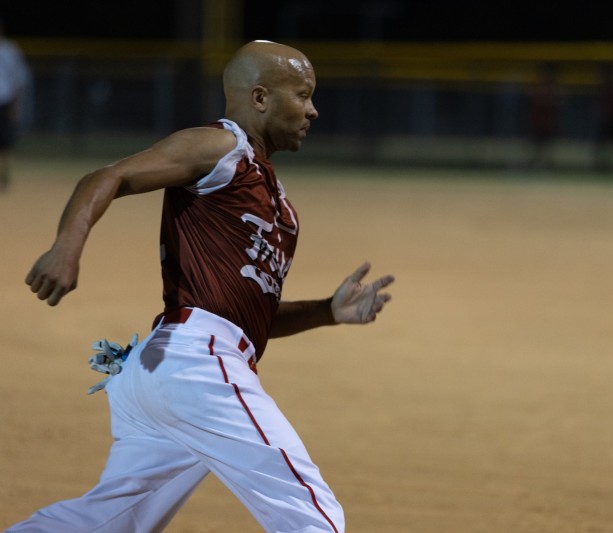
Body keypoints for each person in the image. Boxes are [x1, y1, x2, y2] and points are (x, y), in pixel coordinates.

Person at [10, 40, 394, 533]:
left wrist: (327, 310)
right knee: (312, 517)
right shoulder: (222, 147)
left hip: (168, 367)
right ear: (260, 98)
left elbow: (247, 314)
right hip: (196, 361)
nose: (313, 109)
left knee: (102, 522)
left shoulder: (278, 202)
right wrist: (67, 245)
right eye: (302, 95)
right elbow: (111, 175)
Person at [0, 15, 31, 193]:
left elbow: (18, 79)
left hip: (4, 100)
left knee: (4, 143)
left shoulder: (10, 49)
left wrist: (16, 104)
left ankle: (4, 177)